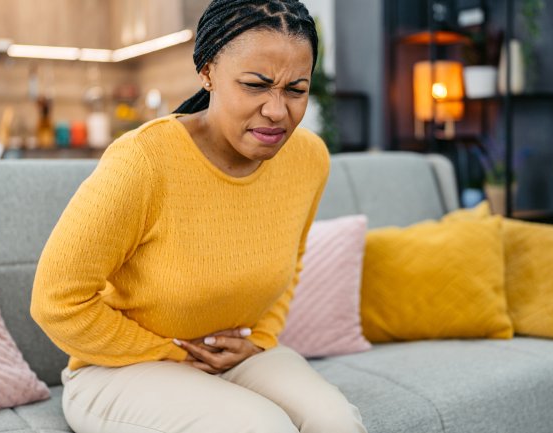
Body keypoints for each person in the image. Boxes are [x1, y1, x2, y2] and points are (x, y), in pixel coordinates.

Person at [30, 1, 368, 432]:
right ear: (207, 72)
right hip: (117, 369)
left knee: (335, 421)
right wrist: (173, 352)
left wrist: (260, 340)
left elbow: (293, 259)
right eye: (255, 85)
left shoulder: (308, 159)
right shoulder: (144, 162)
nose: (277, 111)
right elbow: (56, 301)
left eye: (295, 89)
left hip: (232, 357)